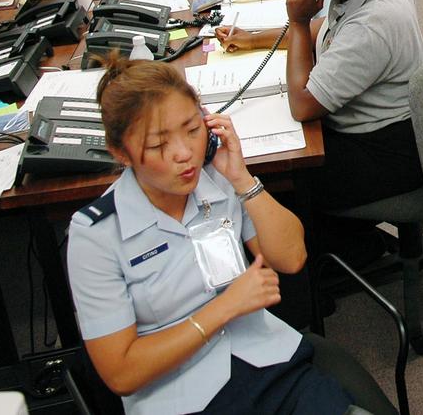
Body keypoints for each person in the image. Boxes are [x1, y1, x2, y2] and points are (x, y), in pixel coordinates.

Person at [66, 58, 352, 414]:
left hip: (267, 363)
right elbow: (122, 372)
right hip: (181, 397)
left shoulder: (215, 180)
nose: (184, 153)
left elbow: (291, 258)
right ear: (120, 153)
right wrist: (225, 308)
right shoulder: (96, 235)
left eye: (192, 130)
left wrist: (243, 179)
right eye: (158, 146)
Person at [215, 0, 423, 214]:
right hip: (389, 126)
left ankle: (337, 251)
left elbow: (303, 106)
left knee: (277, 178)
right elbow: (327, 27)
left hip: (384, 150)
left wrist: (298, 22)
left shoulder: (373, 24)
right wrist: (254, 38)